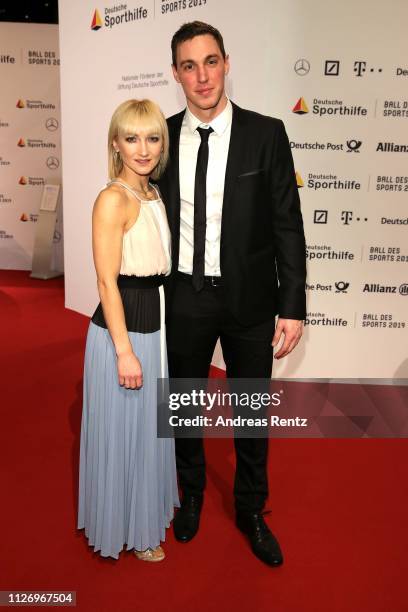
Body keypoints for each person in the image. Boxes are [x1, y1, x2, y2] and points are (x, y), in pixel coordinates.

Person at [157, 22, 306, 567]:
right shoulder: (162, 139)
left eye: (211, 61)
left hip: (250, 303)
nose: (202, 76)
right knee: (186, 407)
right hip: (185, 298)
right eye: (190, 65)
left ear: (226, 63)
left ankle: (250, 509)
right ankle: (191, 493)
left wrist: (291, 305)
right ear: (176, 73)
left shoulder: (266, 134)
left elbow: (288, 224)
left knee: (250, 412)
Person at [78, 99, 179, 562]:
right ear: (116, 143)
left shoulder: (153, 193)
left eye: (152, 137)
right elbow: (105, 281)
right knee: (126, 433)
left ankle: (142, 515)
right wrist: (123, 351)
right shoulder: (113, 198)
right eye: (132, 138)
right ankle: (125, 529)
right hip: (124, 331)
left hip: (153, 325)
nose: (143, 149)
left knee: (147, 430)